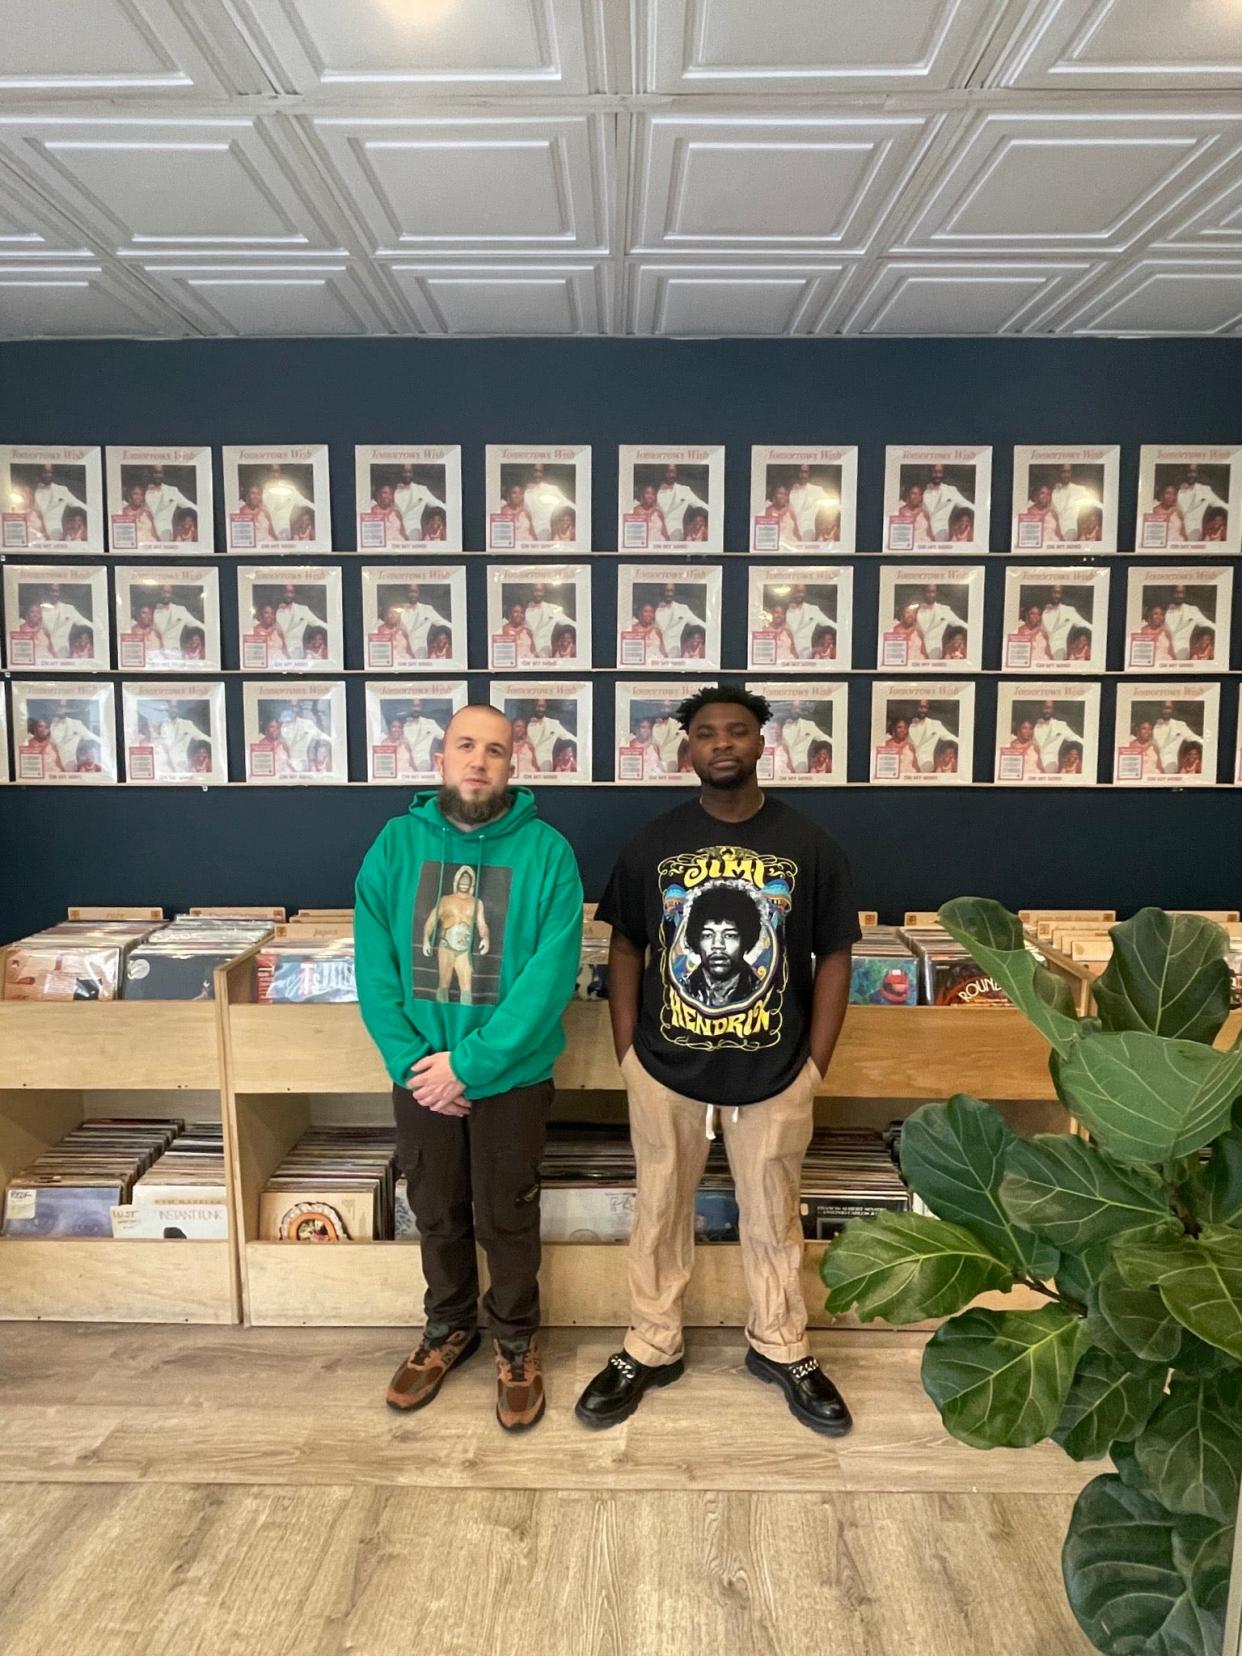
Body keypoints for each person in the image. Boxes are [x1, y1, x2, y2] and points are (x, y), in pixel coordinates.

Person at [575, 686, 858, 1436]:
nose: (722, 743)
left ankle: (782, 1343)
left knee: (773, 1214)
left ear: (763, 743)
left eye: (737, 731)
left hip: (774, 1070)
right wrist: (629, 1052)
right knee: (660, 1209)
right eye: (706, 734)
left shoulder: (809, 844)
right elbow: (628, 945)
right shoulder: (651, 843)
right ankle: (651, 1342)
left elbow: (835, 954)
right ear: (687, 751)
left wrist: (815, 1065)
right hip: (665, 1068)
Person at [355, 704, 583, 1431]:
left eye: (494, 750)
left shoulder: (548, 853)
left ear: (513, 765)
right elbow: (376, 965)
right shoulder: (394, 846)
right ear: (441, 758)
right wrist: (418, 1063)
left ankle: (515, 1340)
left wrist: (473, 1065)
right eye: (465, 746)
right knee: (436, 1210)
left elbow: (549, 979)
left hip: (511, 1079)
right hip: (421, 1075)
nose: (478, 761)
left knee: (506, 1214)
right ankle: (447, 1328)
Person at [260, 464, 314, 541]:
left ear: (280, 472)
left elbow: (306, 503)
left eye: (276, 471)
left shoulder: (290, 489)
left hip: (284, 533)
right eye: (271, 471)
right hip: (267, 535)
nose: (274, 474)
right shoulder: (261, 491)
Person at [915, 583, 967, 661]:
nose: (930, 595)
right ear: (923, 592)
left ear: (936, 593)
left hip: (935, 652)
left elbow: (961, 623)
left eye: (933, 592)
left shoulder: (944, 610)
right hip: (917, 652)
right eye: (928, 592)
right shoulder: (916, 610)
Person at [921, 463, 971, 542]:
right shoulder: (922, 491)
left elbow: (968, 505)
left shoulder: (951, 491)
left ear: (943, 473)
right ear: (930, 472)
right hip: (923, 534)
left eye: (940, 472)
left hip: (941, 534)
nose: (937, 475)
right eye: (935, 472)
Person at [34, 464, 86, 540]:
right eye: (45, 472)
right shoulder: (32, 491)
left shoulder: (62, 490)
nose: (48, 475)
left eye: (50, 472)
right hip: (36, 535)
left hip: (56, 533)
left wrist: (96, 513)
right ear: (39, 473)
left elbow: (80, 505)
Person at [656, 465, 707, 542]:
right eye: (668, 472)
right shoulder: (654, 490)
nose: (670, 475)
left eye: (673, 472)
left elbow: (701, 504)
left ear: (676, 473)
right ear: (663, 473)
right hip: (656, 533)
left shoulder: (685, 490)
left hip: (676, 532)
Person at [655, 582, 705, 661]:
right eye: (666, 590)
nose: (669, 593)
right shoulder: (655, 609)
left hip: (674, 650)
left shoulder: (682, 609)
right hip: (656, 649)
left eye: (671, 591)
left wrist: (715, 629)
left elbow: (699, 623)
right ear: (662, 591)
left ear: (675, 592)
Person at [143, 466, 195, 542]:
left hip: (165, 534)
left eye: (159, 472)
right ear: (149, 473)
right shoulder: (142, 492)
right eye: (154, 472)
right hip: (146, 535)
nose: (157, 475)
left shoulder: (172, 491)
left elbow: (191, 506)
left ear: (163, 474)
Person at [1163, 584, 1214, 661]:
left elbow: (1209, 624)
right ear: (1172, 593)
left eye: (1182, 593)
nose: (1179, 595)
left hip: (1182, 653)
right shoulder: (1163, 610)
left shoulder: (1192, 610)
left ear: (1185, 594)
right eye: (1176, 592)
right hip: (1163, 653)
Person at [522, 464, 572, 542]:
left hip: (547, 536)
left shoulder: (552, 489)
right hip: (530, 537)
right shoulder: (524, 493)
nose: (538, 474)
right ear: (530, 471)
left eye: (540, 471)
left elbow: (569, 505)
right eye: (535, 471)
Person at [780, 700, 833, 774]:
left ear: (801, 710)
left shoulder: (809, 725)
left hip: (801, 767)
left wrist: (839, 747)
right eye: (793, 708)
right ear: (789, 709)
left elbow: (824, 737)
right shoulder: (783, 726)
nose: (796, 711)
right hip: (784, 768)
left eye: (798, 708)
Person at [394, 467, 446, 541]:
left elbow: (438, 504)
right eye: (404, 472)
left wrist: (455, 509)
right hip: (393, 532)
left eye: (409, 472)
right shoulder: (391, 490)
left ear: (412, 473)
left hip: (413, 531)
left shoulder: (422, 490)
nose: (407, 475)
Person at [276, 584, 328, 659]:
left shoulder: (303, 610)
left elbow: (319, 622)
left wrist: (334, 630)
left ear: (294, 594)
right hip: (279, 651)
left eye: (291, 592)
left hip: (296, 651)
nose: (288, 595)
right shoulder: (275, 611)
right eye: (286, 592)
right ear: (282, 593)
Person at [398, 585, 450, 659]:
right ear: (406, 593)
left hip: (420, 653)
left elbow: (445, 623)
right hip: (403, 654)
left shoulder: (427, 610)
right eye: (410, 592)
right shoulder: (399, 610)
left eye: (415, 592)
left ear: (418, 593)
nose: (413, 594)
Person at [1041, 584, 1090, 661]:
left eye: (1059, 593)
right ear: (1050, 593)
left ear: (1062, 594)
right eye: (1054, 592)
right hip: (1043, 650)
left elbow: (1084, 624)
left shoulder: (1069, 610)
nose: (1056, 596)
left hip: (1059, 649)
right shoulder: (1044, 612)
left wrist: (1099, 632)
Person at [1177, 464, 1226, 541]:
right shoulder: (1177, 490)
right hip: (1176, 534)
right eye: (1188, 471)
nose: (1190, 475)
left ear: (1197, 473)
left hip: (1194, 534)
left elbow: (1222, 504)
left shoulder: (1205, 490)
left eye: (1193, 472)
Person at [784, 584, 832, 660]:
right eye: (797, 591)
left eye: (802, 592)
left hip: (806, 655)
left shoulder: (813, 610)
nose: (799, 594)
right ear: (792, 593)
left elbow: (830, 624)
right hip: (787, 654)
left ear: (805, 593)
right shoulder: (785, 610)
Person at [152, 585, 199, 658]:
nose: (165, 595)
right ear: (159, 592)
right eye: (163, 592)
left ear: (171, 594)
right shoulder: (151, 611)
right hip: (156, 653)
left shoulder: (180, 610)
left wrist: (211, 632)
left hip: (174, 653)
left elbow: (196, 623)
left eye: (168, 592)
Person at [526, 700, 573, 773]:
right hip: (528, 766)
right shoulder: (526, 724)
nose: (540, 709)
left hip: (545, 766)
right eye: (538, 706)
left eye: (542, 706)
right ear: (534, 707)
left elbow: (570, 737)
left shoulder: (554, 724)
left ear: (546, 707)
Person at [908, 700, 953, 774]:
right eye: (920, 707)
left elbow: (950, 737)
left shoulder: (935, 724)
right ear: (917, 708)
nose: (922, 710)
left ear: (927, 708)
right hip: (912, 767)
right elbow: (909, 745)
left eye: (924, 707)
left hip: (928, 765)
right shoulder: (911, 726)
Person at [524, 583, 568, 658]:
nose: (538, 594)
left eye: (540, 591)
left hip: (545, 652)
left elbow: (569, 622)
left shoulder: (553, 609)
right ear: (531, 591)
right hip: (527, 653)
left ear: (544, 592)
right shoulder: (524, 610)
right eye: (535, 591)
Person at [1152, 701, 1197, 775]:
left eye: (1169, 708)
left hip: (1172, 767)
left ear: (1173, 709)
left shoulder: (1180, 725)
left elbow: (1195, 739)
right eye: (1164, 708)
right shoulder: (1152, 726)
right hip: (1154, 768)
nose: (1166, 711)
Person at [48, 701, 95, 771]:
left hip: (70, 765)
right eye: (57, 706)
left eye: (63, 706)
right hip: (51, 765)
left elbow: (89, 740)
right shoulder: (49, 723)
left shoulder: (76, 723)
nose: (59, 709)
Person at [401, 700, 446, 773]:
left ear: (421, 707)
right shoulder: (403, 726)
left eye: (417, 706)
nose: (415, 709)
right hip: (406, 765)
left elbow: (446, 738)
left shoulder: (429, 723)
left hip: (423, 763)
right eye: (413, 706)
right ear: (409, 707)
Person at [1051, 465, 1092, 541]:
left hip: (1070, 531)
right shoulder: (1054, 491)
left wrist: (1083, 533)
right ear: (1059, 473)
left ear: (1071, 472)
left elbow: (1091, 507)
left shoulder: (1080, 489)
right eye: (1063, 472)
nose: (1066, 475)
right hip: (1055, 533)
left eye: (1068, 472)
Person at [1033, 701, 1075, 774]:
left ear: (1053, 709)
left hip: (1050, 766)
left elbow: (1076, 739)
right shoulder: (1032, 725)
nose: (1047, 711)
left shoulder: (1061, 726)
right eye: (1045, 708)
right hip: (1032, 765)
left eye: (1049, 708)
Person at [788, 465, 828, 541]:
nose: (802, 475)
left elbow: (834, 504)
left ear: (809, 474)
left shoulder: (817, 490)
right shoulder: (789, 491)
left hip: (808, 534)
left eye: (805, 472)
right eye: (800, 472)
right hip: (792, 536)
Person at [892, 482, 933, 546]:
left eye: (918, 494)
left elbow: (930, 534)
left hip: (924, 547)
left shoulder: (925, 513)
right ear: (908, 495)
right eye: (913, 493)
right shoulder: (900, 512)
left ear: (921, 497)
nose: (915, 497)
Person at [119, 480, 158, 545]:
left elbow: (154, 534)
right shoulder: (122, 513)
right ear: (129, 495)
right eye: (135, 494)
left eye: (141, 494)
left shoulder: (148, 514)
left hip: (150, 548)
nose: (139, 497)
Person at [650, 702, 684, 773]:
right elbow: (654, 746)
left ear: (671, 709)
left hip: (676, 764)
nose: (664, 710)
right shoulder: (655, 727)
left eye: (667, 707)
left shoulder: (678, 725)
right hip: (659, 766)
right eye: (662, 707)